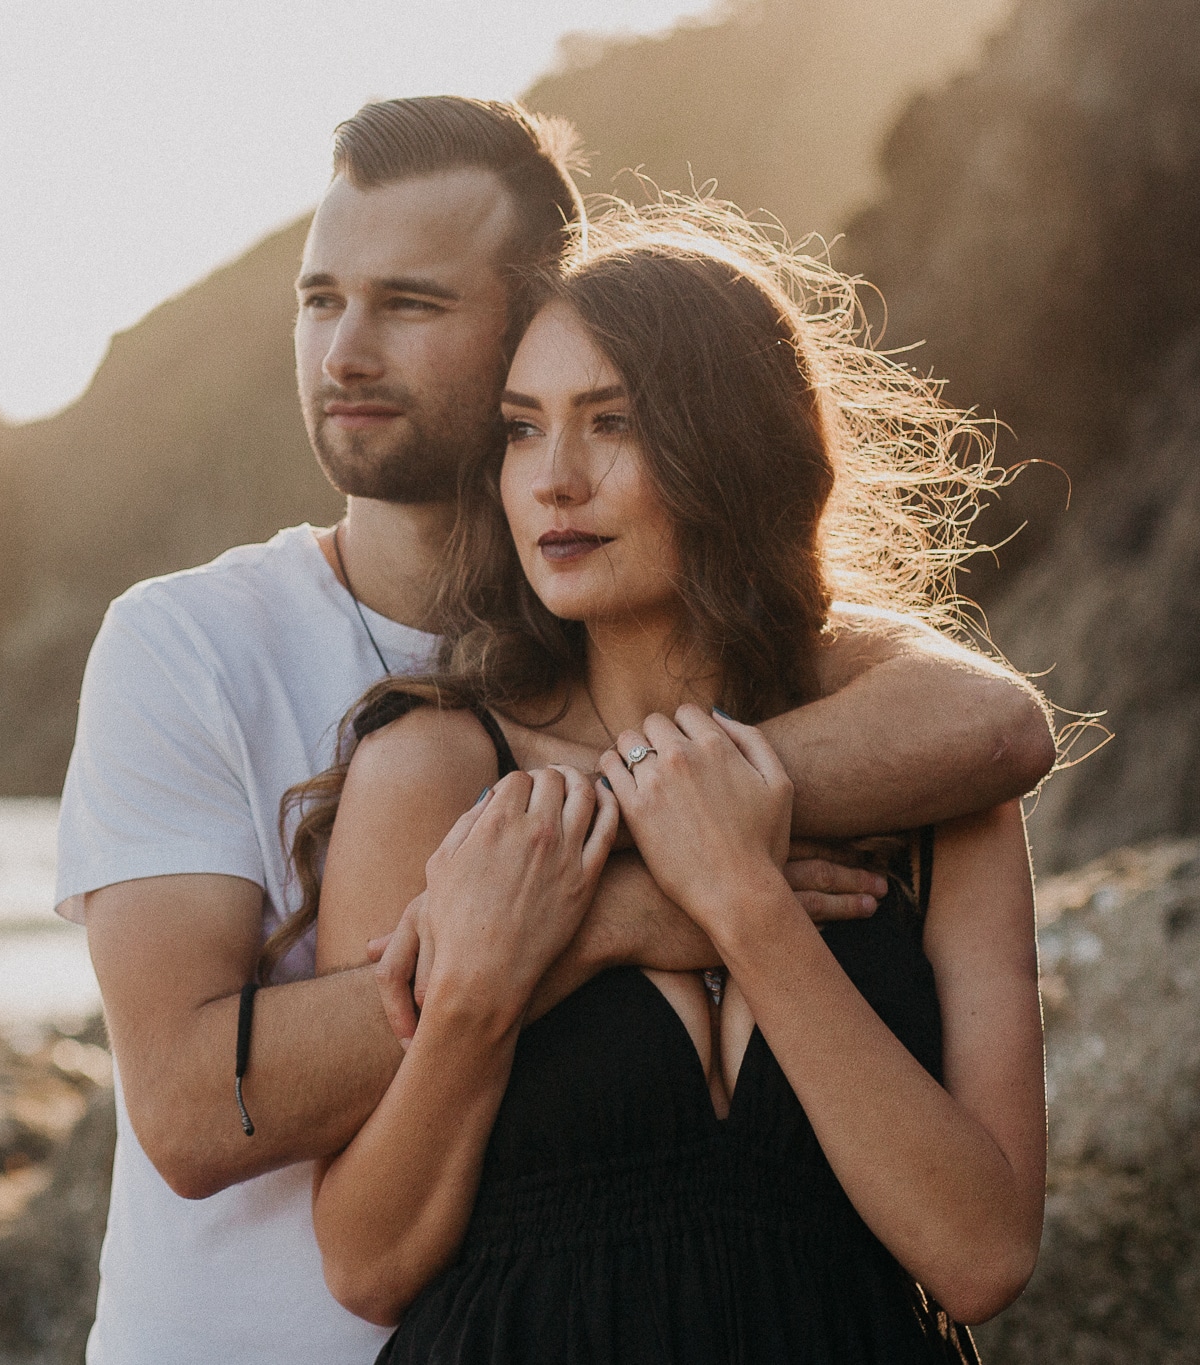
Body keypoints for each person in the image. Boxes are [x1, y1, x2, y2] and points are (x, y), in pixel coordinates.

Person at [55, 97, 1055, 1364]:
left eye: (410, 303)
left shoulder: (876, 709)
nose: (346, 351)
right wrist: (598, 912)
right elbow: (199, 1121)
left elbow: (997, 725)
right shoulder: (232, 666)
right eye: (318, 301)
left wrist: (693, 848)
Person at [306, 204, 1046, 1361]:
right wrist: (478, 992)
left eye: (611, 424)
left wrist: (744, 906)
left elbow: (980, 1256)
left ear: (729, 447)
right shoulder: (433, 770)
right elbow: (367, 1263)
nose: (551, 480)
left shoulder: (929, 793)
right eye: (518, 429)